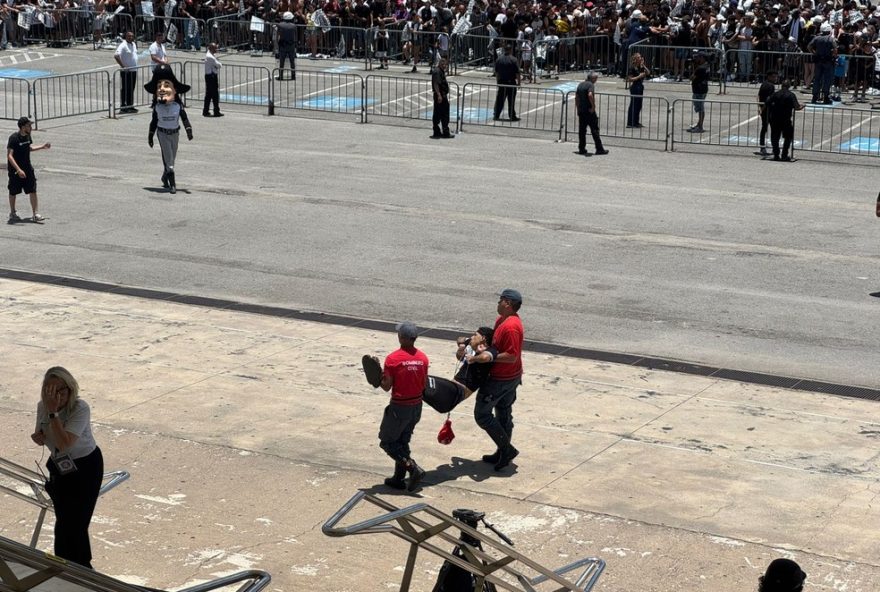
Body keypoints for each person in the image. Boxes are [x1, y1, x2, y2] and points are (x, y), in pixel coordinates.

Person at [30, 367, 104, 569]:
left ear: (69, 390)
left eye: (59, 391)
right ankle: (65, 565)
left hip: (85, 466)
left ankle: (82, 567)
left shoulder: (80, 408)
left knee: (77, 521)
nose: (54, 396)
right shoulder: (42, 406)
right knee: (63, 520)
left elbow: (65, 443)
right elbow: (42, 434)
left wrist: (53, 412)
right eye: (49, 390)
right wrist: (39, 437)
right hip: (59, 466)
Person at [476, 289, 524, 472]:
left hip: (502, 379)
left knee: (482, 414)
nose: (497, 303)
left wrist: (488, 357)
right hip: (509, 377)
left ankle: (507, 449)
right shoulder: (501, 321)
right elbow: (496, 346)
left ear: (508, 304)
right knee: (503, 412)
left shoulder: (511, 326)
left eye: (500, 300)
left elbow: (511, 355)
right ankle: (502, 451)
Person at [378, 322, 429, 492]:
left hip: (399, 407)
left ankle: (413, 469)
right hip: (416, 406)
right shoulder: (423, 358)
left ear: (402, 337)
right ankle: (398, 479)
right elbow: (424, 384)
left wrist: (378, 375)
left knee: (387, 442)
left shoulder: (393, 359)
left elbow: (386, 386)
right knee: (402, 442)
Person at [421, 327, 496, 413]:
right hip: (449, 393)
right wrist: (462, 347)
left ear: (483, 338)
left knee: (420, 379)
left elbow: (485, 357)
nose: (472, 337)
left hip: (457, 392)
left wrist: (474, 358)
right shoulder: (473, 347)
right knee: (415, 389)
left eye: (475, 335)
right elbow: (460, 353)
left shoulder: (491, 350)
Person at [146, 65, 193, 194]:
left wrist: (189, 130)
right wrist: (150, 136)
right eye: (159, 86)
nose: (162, 89)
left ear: (175, 90)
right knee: (169, 159)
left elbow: (184, 119)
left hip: (175, 133)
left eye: (166, 85)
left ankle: (165, 175)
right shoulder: (157, 108)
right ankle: (173, 184)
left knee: (172, 157)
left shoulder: (177, 106)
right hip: (162, 134)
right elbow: (154, 122)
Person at [7, 117, 50, 225]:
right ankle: (12, 212)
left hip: (27, 168)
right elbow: (10, 156)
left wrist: (42, 147)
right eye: (29, 125)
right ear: (22, 127)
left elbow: (28, 148)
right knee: (13, 191)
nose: (31, 127)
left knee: (32, 189)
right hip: (16, 170)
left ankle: (35, 214)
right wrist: (18, 169)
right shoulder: (14, 138)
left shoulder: (27, 136)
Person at [766, 79, 804, 162]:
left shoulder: (775, 94)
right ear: (789, 86)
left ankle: (776, 154)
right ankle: (784, 154)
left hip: (775, 118)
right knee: (788, 137)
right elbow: (797, 107)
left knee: (775, 137)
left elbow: (767, 102)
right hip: (785, 119)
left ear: (781, 85)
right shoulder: (791, 95)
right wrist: (802, 106)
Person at [575, 71, 608, 156]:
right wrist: (593, 106)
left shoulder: (580, 84)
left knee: (582, 131)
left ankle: (581, 148)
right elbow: (590, 95)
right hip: (589, 111)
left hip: (582, 110)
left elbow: (577, 97)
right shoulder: (590, 85)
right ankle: (599, 148)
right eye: (596, 78)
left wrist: (578, 108)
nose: (596, 80)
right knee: (594, 130)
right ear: (592, 78)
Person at [808, 22, 837, 104]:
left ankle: (814, 97)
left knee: (817, 79)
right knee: (827, 79)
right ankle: (825, 97)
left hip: (818, 61)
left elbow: (809, 46)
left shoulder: (816, 38)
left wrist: (814, 53)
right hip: (828, 61)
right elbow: (835, 49)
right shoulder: (831, 39)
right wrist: (834, 56)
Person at [493, 44, 520, 122]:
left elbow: (497, 72)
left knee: (500, 99)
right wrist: (519, 83)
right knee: (511, 100)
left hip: (502, 82)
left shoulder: (499, 59)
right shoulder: (514, 59)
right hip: (511, 82)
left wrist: (497, 81)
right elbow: (517, 73)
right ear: (511, 50)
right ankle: (512, 116)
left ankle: (496, 115)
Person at [114, 31, 138, 114]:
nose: (131, 38)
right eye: (129, 36)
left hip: (134, 70)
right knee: (125, 89)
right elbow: (116, 56)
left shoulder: (133, 44)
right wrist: (123, 66)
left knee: (131, 89)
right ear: (126, 37)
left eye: (132, 36)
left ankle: (130, 105)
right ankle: (123, 106)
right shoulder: (123, 45)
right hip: (126, 71)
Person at [687, 52, 709, 133]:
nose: (697, 59)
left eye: (699, 57)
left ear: (703, 58)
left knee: (700, 108)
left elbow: (691, 78)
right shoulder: (706, 66)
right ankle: (699, 124)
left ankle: (700, 126)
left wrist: (693, 68)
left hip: (699, 89)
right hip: (703, 88)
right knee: (700, 107)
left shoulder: (700, 68)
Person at [757, 70, 778, 157]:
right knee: (773, 129)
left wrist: (760, 108)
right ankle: (774, 148)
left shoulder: (763, 84)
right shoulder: (771, 86)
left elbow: (758, 96)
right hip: (769, 110)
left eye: (776, 76)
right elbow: (769, 99)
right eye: (773, 77)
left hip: (764, 109)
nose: (775, 78)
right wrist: (763, 108)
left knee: (764, 128)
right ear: (769, 77)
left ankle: (762, 146)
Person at [431, 55, 452, 139]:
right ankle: (443, 131)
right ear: (439, 63)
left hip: (441, 95)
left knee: (439, 113)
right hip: (440, 96)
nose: (444, 66)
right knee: (442, 114)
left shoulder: (440, 71)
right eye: (443, 64)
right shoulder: (437, 72)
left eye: (445, 64)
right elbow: (436, 84)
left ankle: (439, 130)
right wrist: (439, 95)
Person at [626, 52, 649, 128]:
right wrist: (639, 76)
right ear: (635, 59)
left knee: (639, 105)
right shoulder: (632, 68)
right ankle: (630, 122)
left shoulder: (641, 67)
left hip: (640, 86)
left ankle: (636, 122)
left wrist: (643, 65)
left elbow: (648, 72)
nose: (641, 58)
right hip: (635, 87)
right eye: (639, 57)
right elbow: (630, 79)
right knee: (633, 105)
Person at [203, 42, 223, 117]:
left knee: (208, 95)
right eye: (215, 48)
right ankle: (216, 111)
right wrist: (218, 64)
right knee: (214, 95)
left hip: (211, 76)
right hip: (211, 77)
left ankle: (206, 110)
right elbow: (218, 65)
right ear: (211, 48)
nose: (216, 49)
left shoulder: (211, 55)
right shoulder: (210, 57)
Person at [276, 11, 297, 81]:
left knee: (282, 61)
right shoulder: (294, 26)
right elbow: (295, 37)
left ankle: (281, 76)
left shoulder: (280, 25)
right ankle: (293, 76)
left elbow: (278, 35)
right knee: (292, 61)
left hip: (283, 45)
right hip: (291, 45)